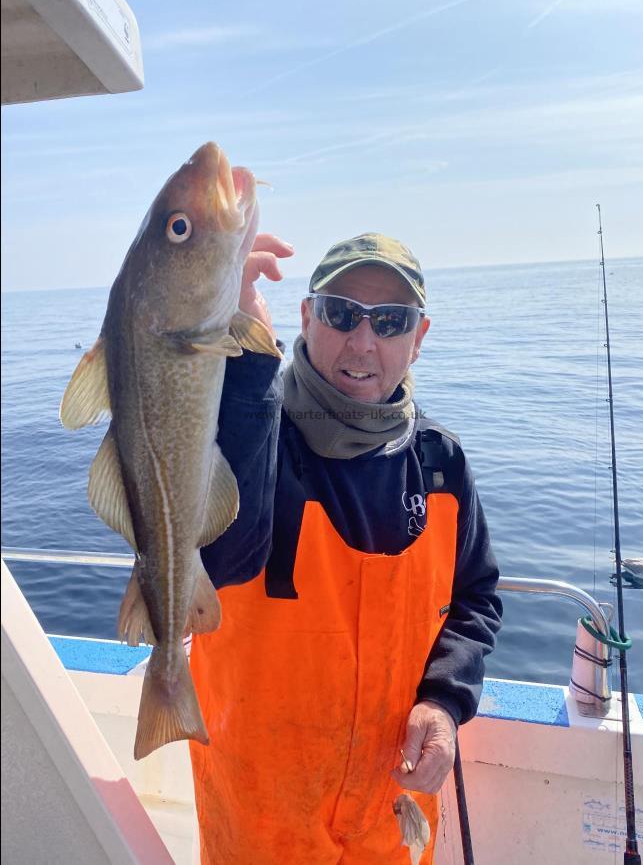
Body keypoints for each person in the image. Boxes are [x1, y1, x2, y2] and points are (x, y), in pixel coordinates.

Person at [189, 232, 502, 864]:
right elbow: (219, 558)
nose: (363, 343)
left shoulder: (440, 463)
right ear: (305, 318)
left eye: (391, 321)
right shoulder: (251, 434)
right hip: (260, 818)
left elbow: (475, 597)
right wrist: (247, 354)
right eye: (340, 314)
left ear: (419, 337)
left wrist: (443, 703)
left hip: (392, 816)